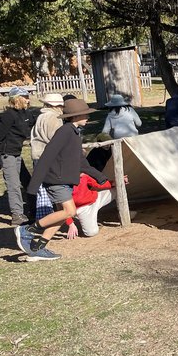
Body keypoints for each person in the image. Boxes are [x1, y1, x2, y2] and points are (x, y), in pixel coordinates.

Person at [17, 99, 106, 261]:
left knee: (63, 215)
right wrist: (33, 185)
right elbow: (47, 155)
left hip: (64, 180)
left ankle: (37, 248)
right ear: (75, 116)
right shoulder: (65, 131)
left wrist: (100, 177)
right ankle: (27, 230)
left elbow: (81, 162)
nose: (87, 117)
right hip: (56, 180)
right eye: (85, 114)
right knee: (70, 212)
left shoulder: (74, 132)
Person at [0, 87, 36, 226]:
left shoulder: (25, 113)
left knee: (28, 182)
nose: (28, 99)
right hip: (7, 154)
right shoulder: (8, 116)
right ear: (17, 99)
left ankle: (34, 209)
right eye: (25, 97)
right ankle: (17, 216)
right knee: (14, 185)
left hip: (17, 153)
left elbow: (34, 123)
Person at [30, 93, 66, 222]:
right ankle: (45, 220)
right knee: (50, 188)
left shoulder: (41, 116)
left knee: (41, 189)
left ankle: (43, 218)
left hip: (37, 155)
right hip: (48, 156)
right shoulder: (54, 118)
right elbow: (56, 139)